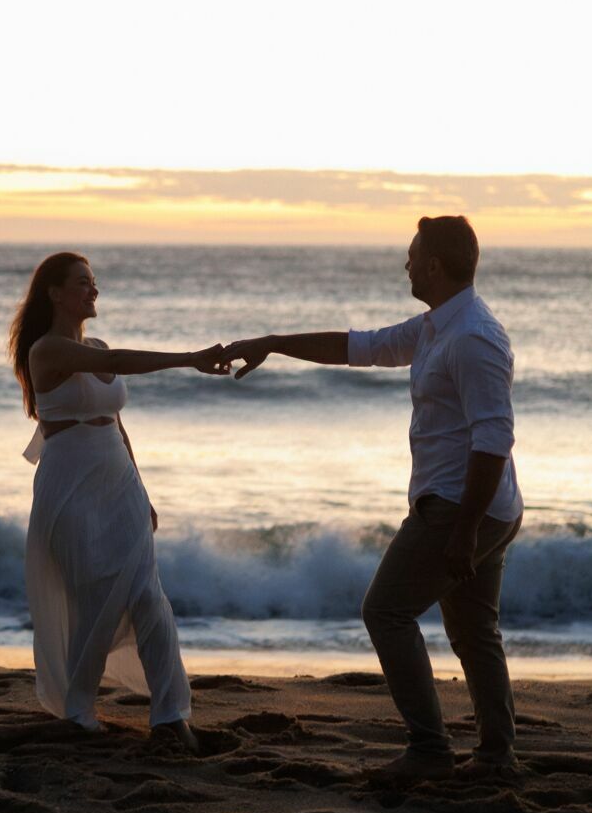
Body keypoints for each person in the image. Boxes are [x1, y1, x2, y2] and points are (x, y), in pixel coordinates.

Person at [222, 216, 524, 783]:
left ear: (434, 265)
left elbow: (493, 438)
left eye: (411, 255)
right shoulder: (437, 326)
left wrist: (463, 530)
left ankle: (431, 750)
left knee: (385, 611)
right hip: (475, 505)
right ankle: (495, 757)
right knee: (474, 631)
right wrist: (273, 344)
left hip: (465, 508)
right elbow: (358, 346)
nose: (405, 264)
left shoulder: (473, 337)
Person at [10, 251, 229, 752]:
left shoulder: (98, 343)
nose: (94, 290)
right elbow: (112, 364)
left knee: (149, 596)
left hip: (119, 483)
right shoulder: (46, 351)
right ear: (55, 293)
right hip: (70, 484)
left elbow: (118, 425)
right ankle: (79, 711)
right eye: (83, 283)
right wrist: (190, 359)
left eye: (94, 282)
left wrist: (142, 489)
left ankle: (171, 715)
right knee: (96, 600)